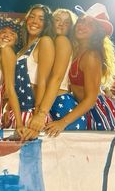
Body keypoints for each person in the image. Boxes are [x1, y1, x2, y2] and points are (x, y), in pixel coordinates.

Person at [45, 3, 115, 137]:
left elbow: (91, 99)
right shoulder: (76, 50)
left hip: (99, 112)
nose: (82, 26)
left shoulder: (91, 55)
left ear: (96, 32)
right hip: (83, 110)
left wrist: (62, 123)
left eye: (89, 24)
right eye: (81, 21)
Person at [24, 8, 87, 140]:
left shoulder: (62, 41)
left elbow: (57, 78)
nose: (61, 24)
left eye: (67, 22)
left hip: (61, 105)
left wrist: (41, 114)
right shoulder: (52, 42)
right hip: (52, 104)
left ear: (71, 27)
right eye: (57, 20)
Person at [2, 4, 55, 138]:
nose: (35, 21)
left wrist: (38, 116)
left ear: (46, 24)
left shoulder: (45, 41)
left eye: (41, 19)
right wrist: (7, 108)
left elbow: (43, 82)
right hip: (17, 114)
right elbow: (13, 85)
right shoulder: (21, 50)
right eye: (32, 17)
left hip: (31, 113)